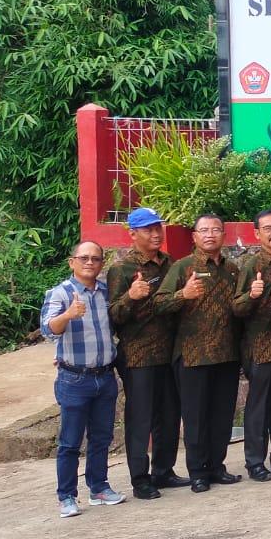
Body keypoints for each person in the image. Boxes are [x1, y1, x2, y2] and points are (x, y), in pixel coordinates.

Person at [153, 213, 242, 493]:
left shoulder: (232, 269)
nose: (210, 235)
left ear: (224, 235)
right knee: (196, 417)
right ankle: (198, 471)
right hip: (193, 355)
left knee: (222, 416)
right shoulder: (183, 268)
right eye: (204, 230)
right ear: (194, 236)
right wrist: (183, 295)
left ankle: (217, 466)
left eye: (216, 230)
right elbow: (159, 304)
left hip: (227, 354)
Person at [40, 241, 124, 517]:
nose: (90, 263)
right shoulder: (60, 293)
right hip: (74, 378)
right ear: (72, 262)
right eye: (84, 258)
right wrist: (68, 314)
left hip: (104, 376)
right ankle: (66, 496)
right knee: (70, 442)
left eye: (96, 259)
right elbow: (48, 329)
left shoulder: (104, 293)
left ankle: (99, 487)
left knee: (101, 438)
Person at [106, 207, 181, 500]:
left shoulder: (169, 264)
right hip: (138, 356)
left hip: (169, 351)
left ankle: (164, 471)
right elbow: (113, 314)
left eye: (158, 227)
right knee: (141, 418)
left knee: (170, 415)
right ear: (133, 234)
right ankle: (140, 478)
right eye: (148, 229)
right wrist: (130, 297)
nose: (155, 233)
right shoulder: (122, 270)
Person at [232, 209, 271, 481]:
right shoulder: (252, 266)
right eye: (267, 228)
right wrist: (251, 295)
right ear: (257, 233)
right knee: (259, 407)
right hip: (261, 345)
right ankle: (255, 461)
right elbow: (236, 308)